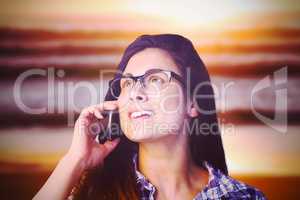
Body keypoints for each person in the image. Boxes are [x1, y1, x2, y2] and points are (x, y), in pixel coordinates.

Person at [33, 34, 266, 200]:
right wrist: (75, 160)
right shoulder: (93, 193)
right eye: (127, 83)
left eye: (156, 79)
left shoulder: (242, 196)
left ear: (193, 103)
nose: (135, 93)